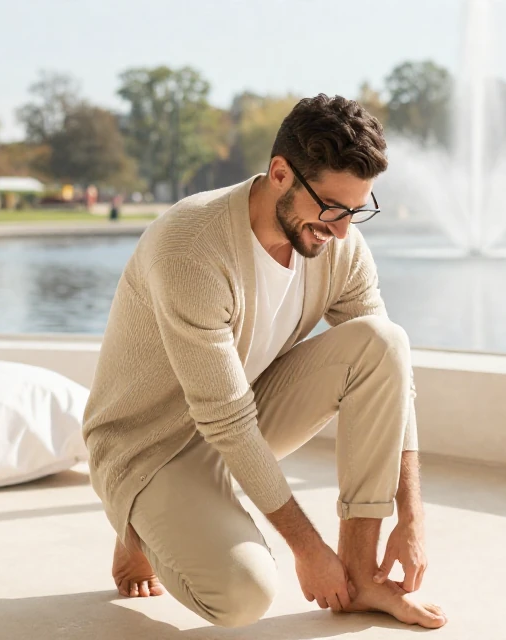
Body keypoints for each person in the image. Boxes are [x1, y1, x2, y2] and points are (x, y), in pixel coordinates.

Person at [83, 94, 446, 630]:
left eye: (356, 210)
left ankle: (362, 573)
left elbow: (392, 374)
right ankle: (140, 518)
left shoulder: (339, 244)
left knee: (384, 341)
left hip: (238, 416)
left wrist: (412, 515)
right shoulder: (190, 247)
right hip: (149, 447)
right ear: (280, 173)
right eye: (332, 207)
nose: (343, 230)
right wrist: (309, 549)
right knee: (243, 597)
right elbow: (225, 419)